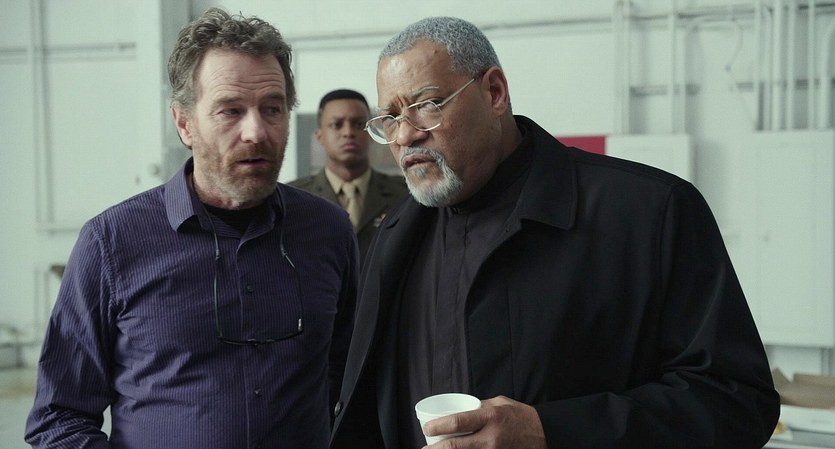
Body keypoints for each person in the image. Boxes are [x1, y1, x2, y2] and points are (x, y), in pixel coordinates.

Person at [329, 16, 780, 449]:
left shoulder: (649, 212)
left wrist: (553, 431)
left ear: (494, 92)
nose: (405, 136)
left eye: (427, 105)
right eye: (390, 118)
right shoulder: (394, 236)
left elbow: (736, 402)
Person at [25, 8, 357, 449]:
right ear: (184, 123)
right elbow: (58, 417)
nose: (256, 132)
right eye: (230, 110)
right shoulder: (112, 243)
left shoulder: (328, 230)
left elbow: (350, 378)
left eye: (272, 109)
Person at [290, 89, 408, 264]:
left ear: (371, 133)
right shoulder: (294, 198)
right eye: (336, 125)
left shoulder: (404, 195)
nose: (348, 133)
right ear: (320, 136)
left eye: (358, 124)